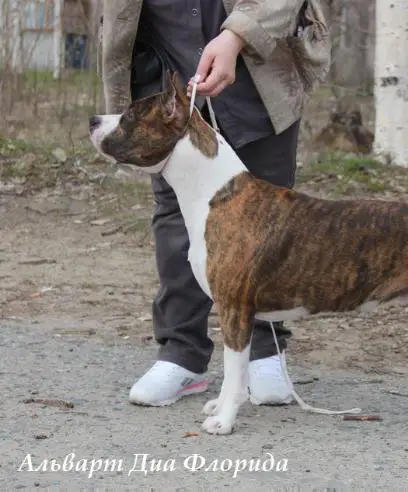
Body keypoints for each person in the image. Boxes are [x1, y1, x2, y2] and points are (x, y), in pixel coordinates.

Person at [98, 1, 331, 406]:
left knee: (269, 215)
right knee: (176, 215)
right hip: (165, 69)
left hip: (259, 68)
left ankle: (264, 350)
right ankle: (181, 354)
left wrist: (237, 35)